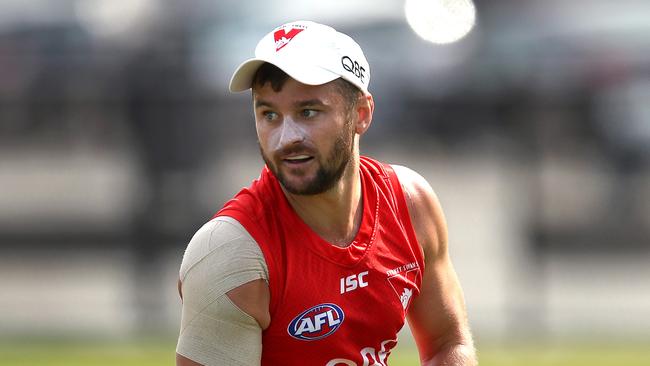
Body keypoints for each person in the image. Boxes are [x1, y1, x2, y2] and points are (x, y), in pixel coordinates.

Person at [176, 20, 476, 366]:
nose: (286, 137)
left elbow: (447, 343)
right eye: (269, 114)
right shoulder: (230, 255)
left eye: (308, 112)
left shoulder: (410, 204)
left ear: (361, 114)